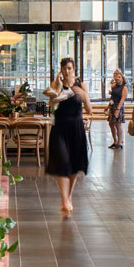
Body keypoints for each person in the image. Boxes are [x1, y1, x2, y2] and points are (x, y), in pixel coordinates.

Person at [44, 57, 91, 217]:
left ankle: (68, 196)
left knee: (74, 167)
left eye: (70, 68)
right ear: (61, 70)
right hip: (60, 128)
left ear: (74, 70)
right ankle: (64, 201)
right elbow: (52, 103)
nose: (67, 71)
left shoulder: (81, 86)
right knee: (63, 164)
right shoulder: (56, 85)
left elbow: (89, 109)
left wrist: (83, 94)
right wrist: (57, 88)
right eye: (64, 68)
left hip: (76, 129)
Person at [106, 69, 128, 149]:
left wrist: (118, 109)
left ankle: (120, 142)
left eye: (119, 76)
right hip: (112, 106)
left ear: (122, 77)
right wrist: (108, 106)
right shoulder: (114, 86)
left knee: (118, 124)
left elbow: (122, 99)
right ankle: (115, 141)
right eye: (115, 75)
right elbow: (112, 97)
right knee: (111, 124)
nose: (117, 78)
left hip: (119, 107)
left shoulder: (124, 87)